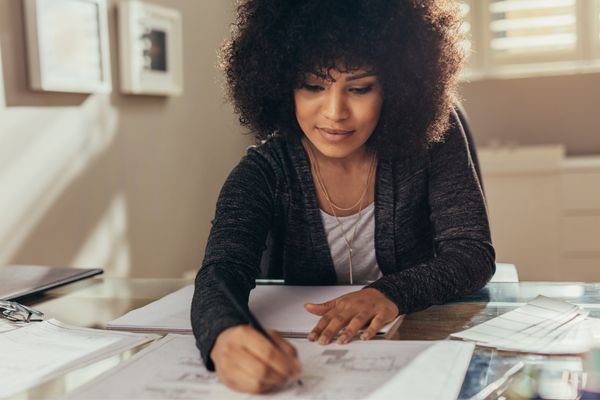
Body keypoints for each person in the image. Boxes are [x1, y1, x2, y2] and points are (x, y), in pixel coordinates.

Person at [191, 0, 495, 394]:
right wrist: (224, 336)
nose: (335, 112)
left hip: (422, 352)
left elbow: (472, 252)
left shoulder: (432, 140)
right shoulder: (266, 170)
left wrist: (389, 294)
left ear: (396, 87)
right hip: (318, 367)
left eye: (360, 88)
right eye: (314, 86)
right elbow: (221, 270)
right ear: (282, 86)